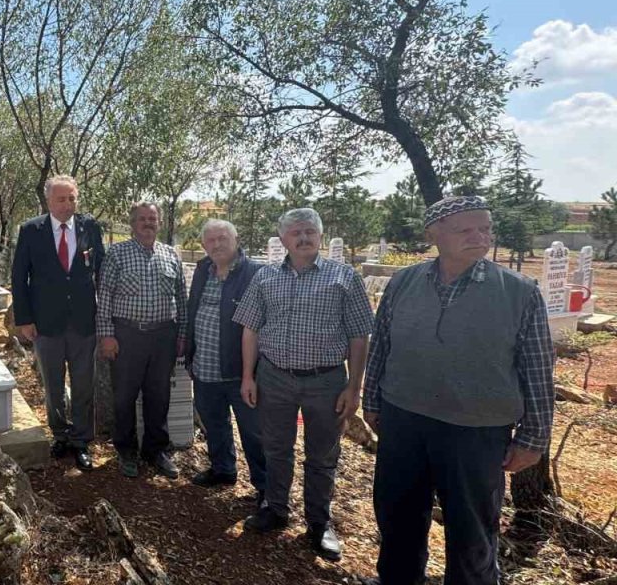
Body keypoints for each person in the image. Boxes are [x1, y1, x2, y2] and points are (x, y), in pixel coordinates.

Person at [359, 196, 554, 585]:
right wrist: (372, 400)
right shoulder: (404, 282)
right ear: (435, 235)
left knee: (472, 530)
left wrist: (533, 437)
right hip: (403, 420)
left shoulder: (519, 292)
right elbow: (381, 344)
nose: (479, 237)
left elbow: (536, 368)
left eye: (485, 228)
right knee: (397, 515)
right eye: (465, 229)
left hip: (475, 431)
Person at [233, 208, 373, 562]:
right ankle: (276, 509)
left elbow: (359, 335)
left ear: (320, 236)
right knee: (276, 448)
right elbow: (250, 328)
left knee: (322, 455)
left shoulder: (344, 277)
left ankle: (319, 523)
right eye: (295, 232)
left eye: (310, 231)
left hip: (326, 382)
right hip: (274, 377)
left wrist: (354, 387)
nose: (303, 238)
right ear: (283, 240)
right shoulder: (265, 278)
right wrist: (248, 376)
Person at [10, 174, 106, 470]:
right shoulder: (31, 230)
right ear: (49, 200)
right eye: (61, 199)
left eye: (72, 198)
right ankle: (60, 435)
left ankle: (81, 441)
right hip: (45, 324)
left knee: (83, 385)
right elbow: (19, 277)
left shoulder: (90, 227)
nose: (67, 205)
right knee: (53, 385)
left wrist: (104, 317)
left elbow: (100, 271)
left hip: (83, 322)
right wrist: (24, 320)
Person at [96, 201, 184, 479]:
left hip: (163, 337)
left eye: (152, 219)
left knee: (159, 396)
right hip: (127, 336)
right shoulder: (117, 254)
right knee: (124, 396)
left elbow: (181, 298)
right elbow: (105, 297)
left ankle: (155, 450)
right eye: (142, 219)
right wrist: (106, 335)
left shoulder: (171, 255)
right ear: (133, 224)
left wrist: (181, 335)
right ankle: (125, 450)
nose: (148, 223)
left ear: (159, 223)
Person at [181, 219, 266, 506]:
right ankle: (223, 469)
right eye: (210, 240)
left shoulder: (256, 273)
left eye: (222, 238)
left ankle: (266, 489)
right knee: (214, 424)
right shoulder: (204, 270)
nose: (216, 244)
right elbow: (192, 311)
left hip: (239, 371)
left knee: (253, 432)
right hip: (204, 367)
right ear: (204, 245)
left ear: (236, 239)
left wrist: (251, 373)